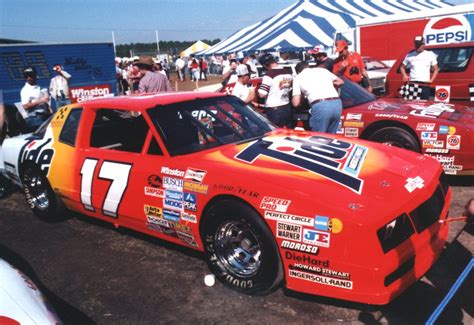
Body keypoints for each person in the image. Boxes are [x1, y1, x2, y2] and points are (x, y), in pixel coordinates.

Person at [292, 61, 344, 134]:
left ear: (298, 71)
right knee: (331, 137)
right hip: (337, 103)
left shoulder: (298, 77)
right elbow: (341, 82)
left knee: (318, 137)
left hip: (321, 106)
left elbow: (296, 103)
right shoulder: (322, 70)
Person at [257, 54, 293, 127]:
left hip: (274, 109)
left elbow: (262, 94)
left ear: (265, 65)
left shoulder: (269, 75)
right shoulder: (288, 73)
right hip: (286, 106)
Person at [400, 35, 439, 100]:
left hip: (425, 84)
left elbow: (436, 69)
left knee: (425, 104)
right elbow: (402, 67)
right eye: (416, 44)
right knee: (413, 104)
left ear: (423, 44)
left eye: (419, 44)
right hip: (413, 83)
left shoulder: (430, 54)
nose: (417, 46)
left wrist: (432, 80)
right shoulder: (410, 55)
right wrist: (404, 75)